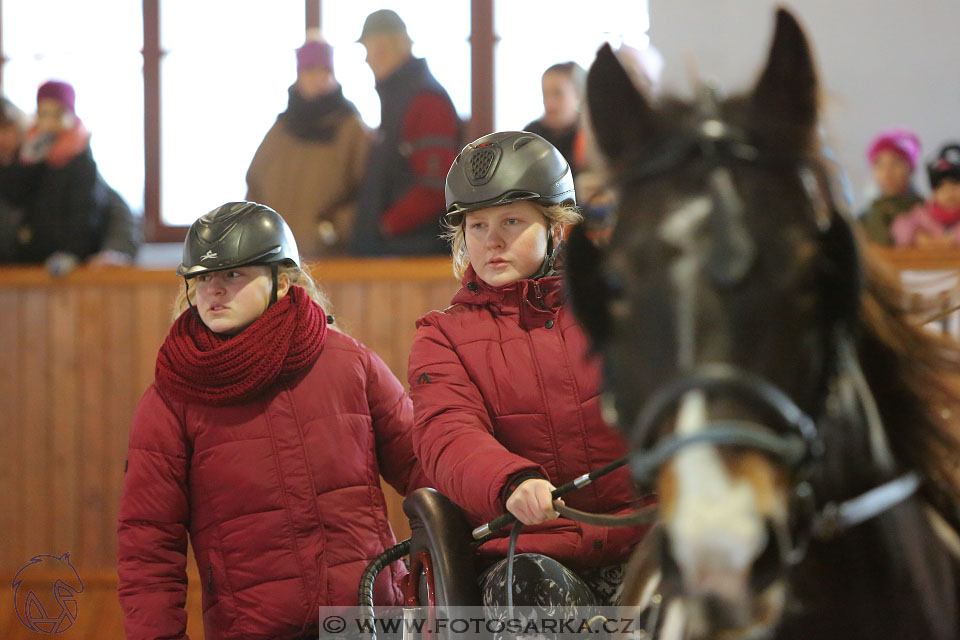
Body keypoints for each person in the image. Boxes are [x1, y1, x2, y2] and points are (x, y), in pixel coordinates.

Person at [117, 202, 427, 639]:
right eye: (203, 278)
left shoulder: (349, 364)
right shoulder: (171, 399)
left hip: (375, 620)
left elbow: (425, 468)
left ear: (282, 281)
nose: (214, 290)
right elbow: (147, 545)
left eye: (233, 275)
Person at [408, 132, 651, 616]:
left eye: (511, 221)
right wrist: (510, 483)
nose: (491, 240)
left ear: (557, 229)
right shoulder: (441, 337)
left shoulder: (624, 310)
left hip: (645, 535)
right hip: (533, 552)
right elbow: (447, 434)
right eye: (476, 226)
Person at [246, 37, 370, 258]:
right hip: (277, 259)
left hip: (330, 260)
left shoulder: (351, 129)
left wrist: (331, 231)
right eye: (310, 71)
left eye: (325, 70)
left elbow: (369, 193)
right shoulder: (281, 130)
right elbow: (254, 184)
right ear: (298, 75)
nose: (319, 78)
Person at [350, 9, 461, 256]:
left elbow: (435, 186)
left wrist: (383, 226)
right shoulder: (402, 98)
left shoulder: (424, 101)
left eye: (367, 50)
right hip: (398, 250)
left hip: (412, 254)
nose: (367, 60)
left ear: (382, 46)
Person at [12, 80, 139, 268]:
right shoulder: (27, 157)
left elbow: (113, 214)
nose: (49, 123)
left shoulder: (83, 163)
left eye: (58, 114)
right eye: (43, 114)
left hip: (75, 264)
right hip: (26, 263)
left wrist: (78, 253)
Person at [859, 128, 924, 245]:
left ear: (911, 168)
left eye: (896, 163)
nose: (887, 172)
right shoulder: (864, 219)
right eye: (879, 164)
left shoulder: (928, 214)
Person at [892, 143, 960, 247]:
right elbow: (900, 226)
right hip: (926, 261)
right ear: (933, 193)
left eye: (955, 185)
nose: (949, 192)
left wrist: (952, 238)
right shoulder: (923, 214)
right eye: (941, 188)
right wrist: (916, 237)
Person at [524, 62, 586, 176]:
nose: (550, 103)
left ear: (579, 95)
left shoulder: (590, 137)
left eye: (558, 93)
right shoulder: (530, 136)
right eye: (545, 94)